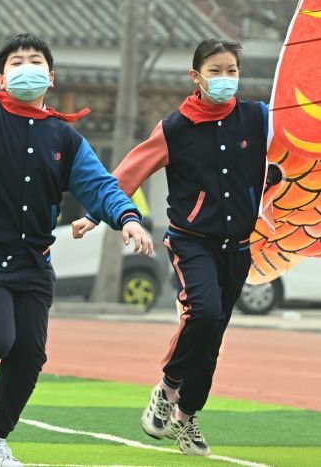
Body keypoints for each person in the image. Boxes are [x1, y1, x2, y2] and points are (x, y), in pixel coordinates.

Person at [0, 33, 154, 467]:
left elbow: (100, 185)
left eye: (36, 61)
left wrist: (127, 218)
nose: (27, 67)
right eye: (17, 62)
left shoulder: (64, 138)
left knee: (29, 356)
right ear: (1, 76)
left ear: (50, 77)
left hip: (35, 262)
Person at [72, 38, 267, 457]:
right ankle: (167, 388)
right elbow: (130, 169)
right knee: (204, 312)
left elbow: (304, 133)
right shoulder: (175, 127)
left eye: (231, 70)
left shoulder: (256, 118)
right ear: (196, 77)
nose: (225, 79)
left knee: (212, 338)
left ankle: (186, 417)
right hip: (190, 240)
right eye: (215, 71)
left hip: (238, 246)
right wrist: (94, 213)